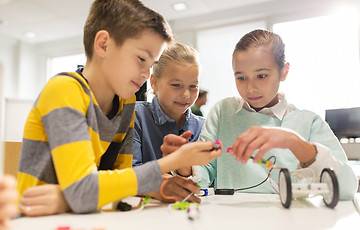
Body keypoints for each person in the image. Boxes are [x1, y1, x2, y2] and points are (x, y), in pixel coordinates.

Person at [16, 0, 222, 217]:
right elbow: (82, 191)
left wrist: (158, 188)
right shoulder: (64, 90)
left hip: (84, 219)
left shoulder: (126, 104)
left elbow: (121, 179)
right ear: (104, 44)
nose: (145, 74)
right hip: (35, 222)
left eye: (151, 64)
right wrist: (175, 160)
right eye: (141, 58)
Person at [163, 29, 358, 200]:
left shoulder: (308, 122)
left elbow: (348, 187)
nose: (251, 88)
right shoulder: (224, 112)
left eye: (262, 76)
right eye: (241, 77)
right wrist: (184, 164)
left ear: (284, 71)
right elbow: (203, 176)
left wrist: (295, 143)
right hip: (229, 222)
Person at [133, 42, 205, 202]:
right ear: (154, 82)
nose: (186, 94)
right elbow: (129, 173)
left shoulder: (203, 126)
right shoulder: (135, 116)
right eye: (176, 85)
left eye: (193, 86)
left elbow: (208, 177)